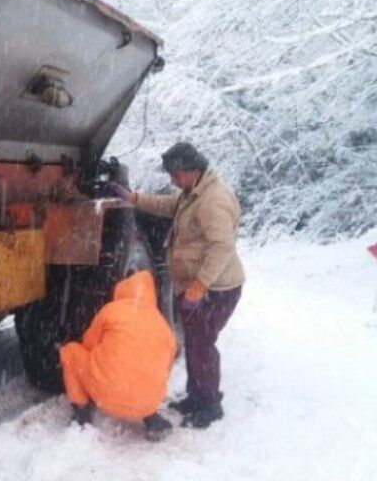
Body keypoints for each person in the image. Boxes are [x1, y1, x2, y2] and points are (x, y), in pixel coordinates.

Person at [111, 142, 245, 429]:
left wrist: (199, 287)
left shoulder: (213, 201)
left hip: (217, 288)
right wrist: (134, 198)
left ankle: (209, 405)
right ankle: (197, 396)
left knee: (203, 343)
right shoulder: (192, 193)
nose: (172, 180)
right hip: (201, 286)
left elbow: (221, 247)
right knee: (196, 342)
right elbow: (167, 205)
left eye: (175, 174)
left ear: (192, 170)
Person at [59, 270, 177, 440]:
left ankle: (82, 413)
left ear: (122, 289)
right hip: (149, 402)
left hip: (107, 396)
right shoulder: (162, 324)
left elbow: (88, 344)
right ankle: (151, 417)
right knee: (148, 369)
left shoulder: (111, 311)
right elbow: (165, 369)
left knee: (70, 351)